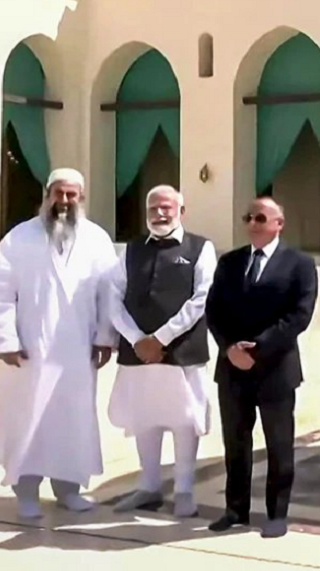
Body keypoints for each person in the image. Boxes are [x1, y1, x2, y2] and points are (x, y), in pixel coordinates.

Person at [0, 168, 119, 519]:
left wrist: (105, 336)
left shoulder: (97, 240)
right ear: (47, 194)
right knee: (26, 420)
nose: (65, 202)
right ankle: (25, 492)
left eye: (72, 195)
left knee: (72, 421)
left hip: (76, 354)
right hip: (28, 353)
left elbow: (110, 293)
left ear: (81, 198)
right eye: (59, 194)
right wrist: (4, 339)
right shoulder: (18, 239)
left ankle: (68, 490)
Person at [205, 197, 318, 539]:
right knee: (235, 444)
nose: (253, 223)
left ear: (278, 224)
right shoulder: (230, 262)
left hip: (275, 370)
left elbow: (299, 316)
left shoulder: (299, 264)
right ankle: (235, 510)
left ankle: (276, 513)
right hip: (233, 369)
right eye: (248, 217)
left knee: (278, 445)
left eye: (260, 217)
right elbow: (214, 311)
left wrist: (259, 347)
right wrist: (229, 348)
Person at [105, 185, 216, 517]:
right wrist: (137, 338)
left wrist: (161, 338)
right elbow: (112, 296)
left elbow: (201, 298)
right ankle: (149, 487)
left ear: (182, 211)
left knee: (185, 420)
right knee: (145, 419)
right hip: (138, 353)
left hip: (181, 353)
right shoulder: (131, 249)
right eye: (153, 208)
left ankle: (183, 491)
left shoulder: (200, 248)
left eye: (167, 207)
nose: (160, 213)